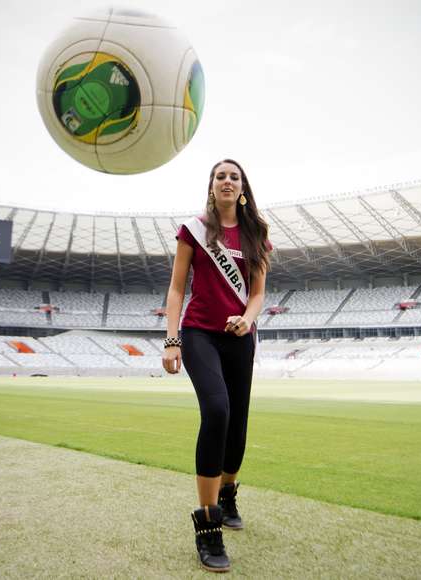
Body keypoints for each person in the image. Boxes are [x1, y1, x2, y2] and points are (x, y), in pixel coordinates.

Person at [162, 159, 271, 573]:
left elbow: (258, 293)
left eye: (234, 176)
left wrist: (247, 318)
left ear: (242, 187)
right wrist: (172, 340)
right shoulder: (194, 229)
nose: (227, 181)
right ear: (211, 186)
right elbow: (176, 289)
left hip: (240, 338)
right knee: (217, 411)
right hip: (199, 334)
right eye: (220, 176)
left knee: (237, 426)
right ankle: (208, 523)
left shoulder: (256, 232)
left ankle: (227, 495)